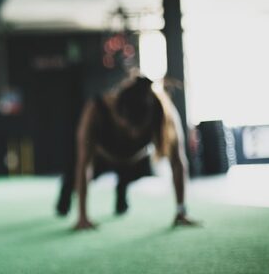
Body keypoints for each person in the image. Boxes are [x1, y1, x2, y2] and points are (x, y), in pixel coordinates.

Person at [55, 75, 198, 230]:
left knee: (134, 178)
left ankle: (121, 188)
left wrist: (181, 210)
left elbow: (177, 162)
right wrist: (82, 217)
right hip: (101, 157)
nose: (134, 134)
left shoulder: (162, 111)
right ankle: (65, 195)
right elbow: (84, 164)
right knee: (70, 184)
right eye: (129, 128)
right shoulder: (96, 109)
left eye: (139, 129)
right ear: (118, 113)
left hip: (134, 160)